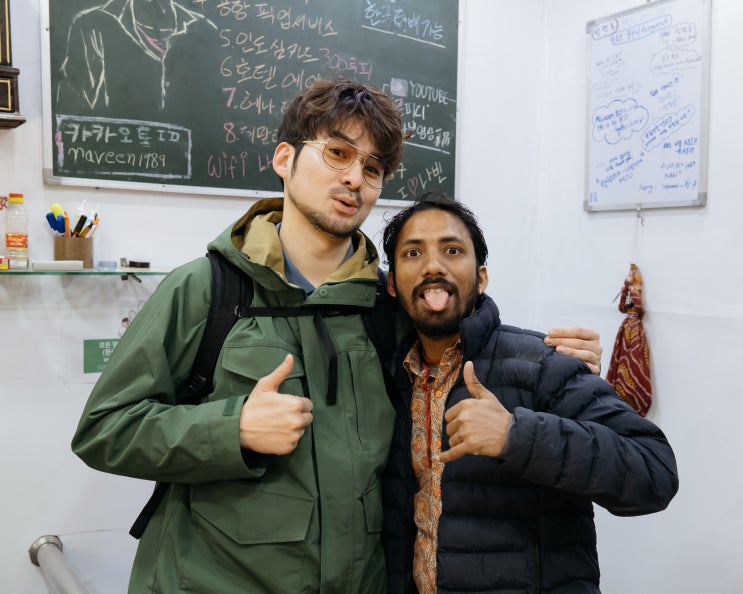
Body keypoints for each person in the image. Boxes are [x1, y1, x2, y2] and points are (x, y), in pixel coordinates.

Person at [72, 77, 602, 593]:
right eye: (338, 154)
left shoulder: (385, 303)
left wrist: (551, 356)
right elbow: (104, 428)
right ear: (285, 160)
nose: (356, 178)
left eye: (372, 168)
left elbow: (461, 341)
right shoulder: (206, 289)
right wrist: (230, 427)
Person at [380, 191, 679, 594]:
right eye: (413, 254)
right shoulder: (390, 377)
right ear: (393, 284)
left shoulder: (542, 364)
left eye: (452, 250)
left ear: (481, 277)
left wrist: (515, 436)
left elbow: (654, 473)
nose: (433, 266)